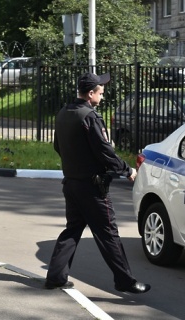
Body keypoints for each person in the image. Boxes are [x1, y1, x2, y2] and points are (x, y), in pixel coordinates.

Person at [44, 72, 151, 294]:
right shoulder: (89, 117)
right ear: (90, 93)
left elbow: (58, 146)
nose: (102, 96)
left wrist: (77, 161)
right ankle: (125, 281)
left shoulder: (64, 113)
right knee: (108, 234)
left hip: (71, 183)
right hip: (92, 188)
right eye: (100, 92)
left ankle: (55, 277)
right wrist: (127, 170)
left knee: (72, 230)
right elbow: (105, 152)